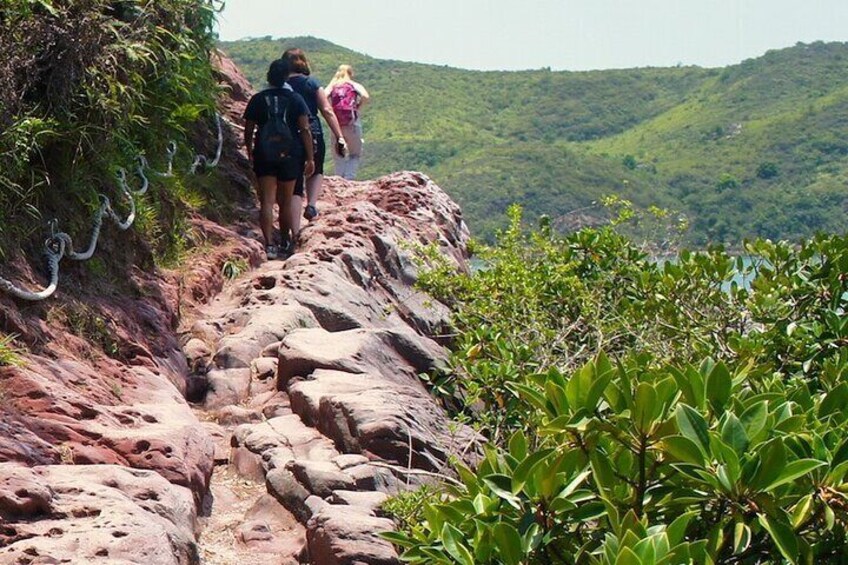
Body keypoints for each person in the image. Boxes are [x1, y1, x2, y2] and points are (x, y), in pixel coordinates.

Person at [243, 58, 315, 259]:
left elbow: (248, 130)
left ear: (268, 76)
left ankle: (269, 245)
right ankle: (285, 241)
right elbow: (305, 129)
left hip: (264, 154)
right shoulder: (296, 99)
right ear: (286, 77)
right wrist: (310, 158)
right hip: (291, 154)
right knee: (285, 201)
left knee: (266, 201)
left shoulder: (258, 99)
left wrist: (250, 151)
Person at [281, 48, 347, 236]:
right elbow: (327, 109)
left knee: (294, 186)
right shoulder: (312, 83)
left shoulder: (282, 85)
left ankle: (295, 232)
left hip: (289, 135)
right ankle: (311, 205)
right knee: (316, 169)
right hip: (314, 131)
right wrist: (339, 136)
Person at [326, 64, 370, 180]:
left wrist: (332, 82)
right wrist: (358, 107)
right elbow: (365, 96)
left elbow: (324, 96)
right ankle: (349, 179)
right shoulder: (354, 85)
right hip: (352, 123)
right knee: (355, 154)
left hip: (336, 124)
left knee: (338, 154)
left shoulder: (334, 86)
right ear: (350, 74)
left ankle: (338, 179)